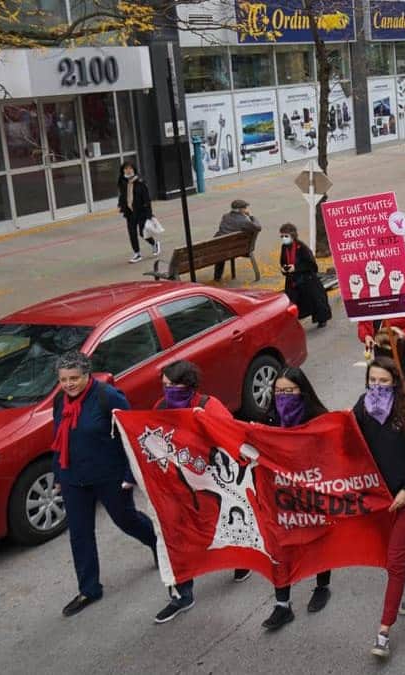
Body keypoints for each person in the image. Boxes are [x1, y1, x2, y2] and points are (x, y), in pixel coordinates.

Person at [51, 351, 157, 617]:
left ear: (87, 375)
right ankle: (89, 589)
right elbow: (58, 439)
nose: (69, 384)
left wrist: (129, 475)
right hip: (73, 477)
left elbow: (129, 437)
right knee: (79, 533)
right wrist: (58, 475)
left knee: (126, 520)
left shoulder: (107, 397)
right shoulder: (59, 402)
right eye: (64, 379)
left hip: (108, 476)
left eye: (74, 378)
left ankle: (158, 544)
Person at [150, 360, 248, 624]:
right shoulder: (160, 407)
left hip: (211, 480)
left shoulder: (208, 406)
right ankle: (182, 594)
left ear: (189, 384)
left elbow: (231, 435)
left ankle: (241, 559)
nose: (168, 390)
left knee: (221, 525)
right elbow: (148, 439)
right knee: (176, 535)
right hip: (176, 485)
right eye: (165, 385)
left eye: (173, 385)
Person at [356, 358, 405, 658]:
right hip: (379, 496)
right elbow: (347, 437)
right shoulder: (363, 407)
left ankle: (383, 632)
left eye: (383, 381)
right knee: (398, 549)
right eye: (372, 381)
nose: (377, 386)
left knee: (393, 561)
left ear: (395, 382)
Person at [261, 365, 333, 629]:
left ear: (302, 391)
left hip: (311, 491)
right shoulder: (269, 419)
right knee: (281, 546)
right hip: (280, 495)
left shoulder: (318, 417)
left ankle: (322, 586)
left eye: (289, 390)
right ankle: (282, 605)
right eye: (278, 391)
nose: (283, 396)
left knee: (317, 540)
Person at [279, 223, 331, 328]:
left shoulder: (302, 247)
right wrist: (284, 268)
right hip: (292, 279)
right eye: (282, 236)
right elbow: (283, 261)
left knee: (316, 299)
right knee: (291, 301)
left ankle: (321, 319)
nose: (284, 238)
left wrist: (296, 268)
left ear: (292, 235)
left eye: (286, 236)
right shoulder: (284, 247)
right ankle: (293, 321)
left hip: (306, 278)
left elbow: (312, 265)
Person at [358, 307, 405, 377]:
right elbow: (363, 321)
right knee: (380, 379)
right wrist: (366, 335)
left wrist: (398, 334)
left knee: (397, 381)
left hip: (402, 348)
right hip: (379, 347)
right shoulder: (370, 297)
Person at [117, 160, 159, 263]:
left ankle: (154, 244)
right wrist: (121, 205)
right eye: (126, 169)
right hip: (129, 212)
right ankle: (137, 253)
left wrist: (149, 214)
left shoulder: (140, 182)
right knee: (132, 233)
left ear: (134, 170)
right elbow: (123, 195)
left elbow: (147, 199)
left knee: (142, 232)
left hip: (141, 212)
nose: (128, 171)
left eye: (130, 168)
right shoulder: (122, 182)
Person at [213, 199, 262, 281]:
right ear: (240, 210)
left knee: (220, 251)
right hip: (238, 249)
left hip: (220, 250)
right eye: (245, 208)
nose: (246, 209)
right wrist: (251, 216)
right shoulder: (244, 221)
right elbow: (258, 227)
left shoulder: (225, 217)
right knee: (222, 250)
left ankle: (217, 277)